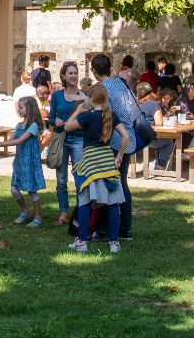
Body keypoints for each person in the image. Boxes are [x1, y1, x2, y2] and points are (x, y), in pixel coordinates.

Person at [65, 83, 128, 254]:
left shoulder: (87, 116)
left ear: (91, 98)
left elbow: (67, 127)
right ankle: (114, 242)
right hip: (108, 159)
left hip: (90, 161)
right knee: (113, 202)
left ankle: (82, 241)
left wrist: (79, 109)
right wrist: (120, 156)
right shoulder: (111, 115)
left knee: (85, 201)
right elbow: (126, 136)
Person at [95, 54, 138, 241]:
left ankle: (107, 229)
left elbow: (106, 116)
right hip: (127, 139)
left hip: (114, 140)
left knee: (110, 185)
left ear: (94, 71)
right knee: (122, 184)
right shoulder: (121, 83)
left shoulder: (103, 88)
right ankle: (125, 228)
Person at [49, 61, 87, 225]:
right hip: (61, 138)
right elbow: (50, 117)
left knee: (79, 176)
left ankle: (80, 212)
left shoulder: (84, 95)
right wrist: (54, 120)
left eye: (75, 73)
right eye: (70, 73)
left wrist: (84, 98)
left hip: (78, 138)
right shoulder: (57, 96)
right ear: (63, 76)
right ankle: (63, 212)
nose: (73, 76)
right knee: (61, 178)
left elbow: (91, 112)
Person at [9, 96, 46, 227]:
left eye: (21, 107)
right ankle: (25, 211)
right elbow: (12, 138)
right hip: (19, 162)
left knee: (31, 191)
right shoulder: (19, 125)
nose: (18, 110)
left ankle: (38, 217)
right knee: (14, 189)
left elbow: (19, 141)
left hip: (29, 163)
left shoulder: (33, 126)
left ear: (29, 109)